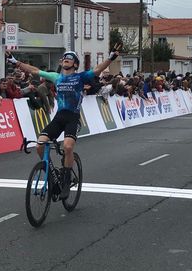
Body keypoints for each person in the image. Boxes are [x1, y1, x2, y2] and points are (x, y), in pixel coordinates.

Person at [7, 46, 121, 199]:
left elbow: (97, 70)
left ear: (75, 64)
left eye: (70, 57)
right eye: (64, 57)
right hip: (59, 117)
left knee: (67, 146)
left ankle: (66, 181)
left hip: (73, 118)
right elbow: (34, 70)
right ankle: (51, 175)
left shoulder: (81, 77)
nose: (66, 59)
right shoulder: (56, 77)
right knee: (40, 145)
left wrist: (111, 57)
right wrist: (15, 62)